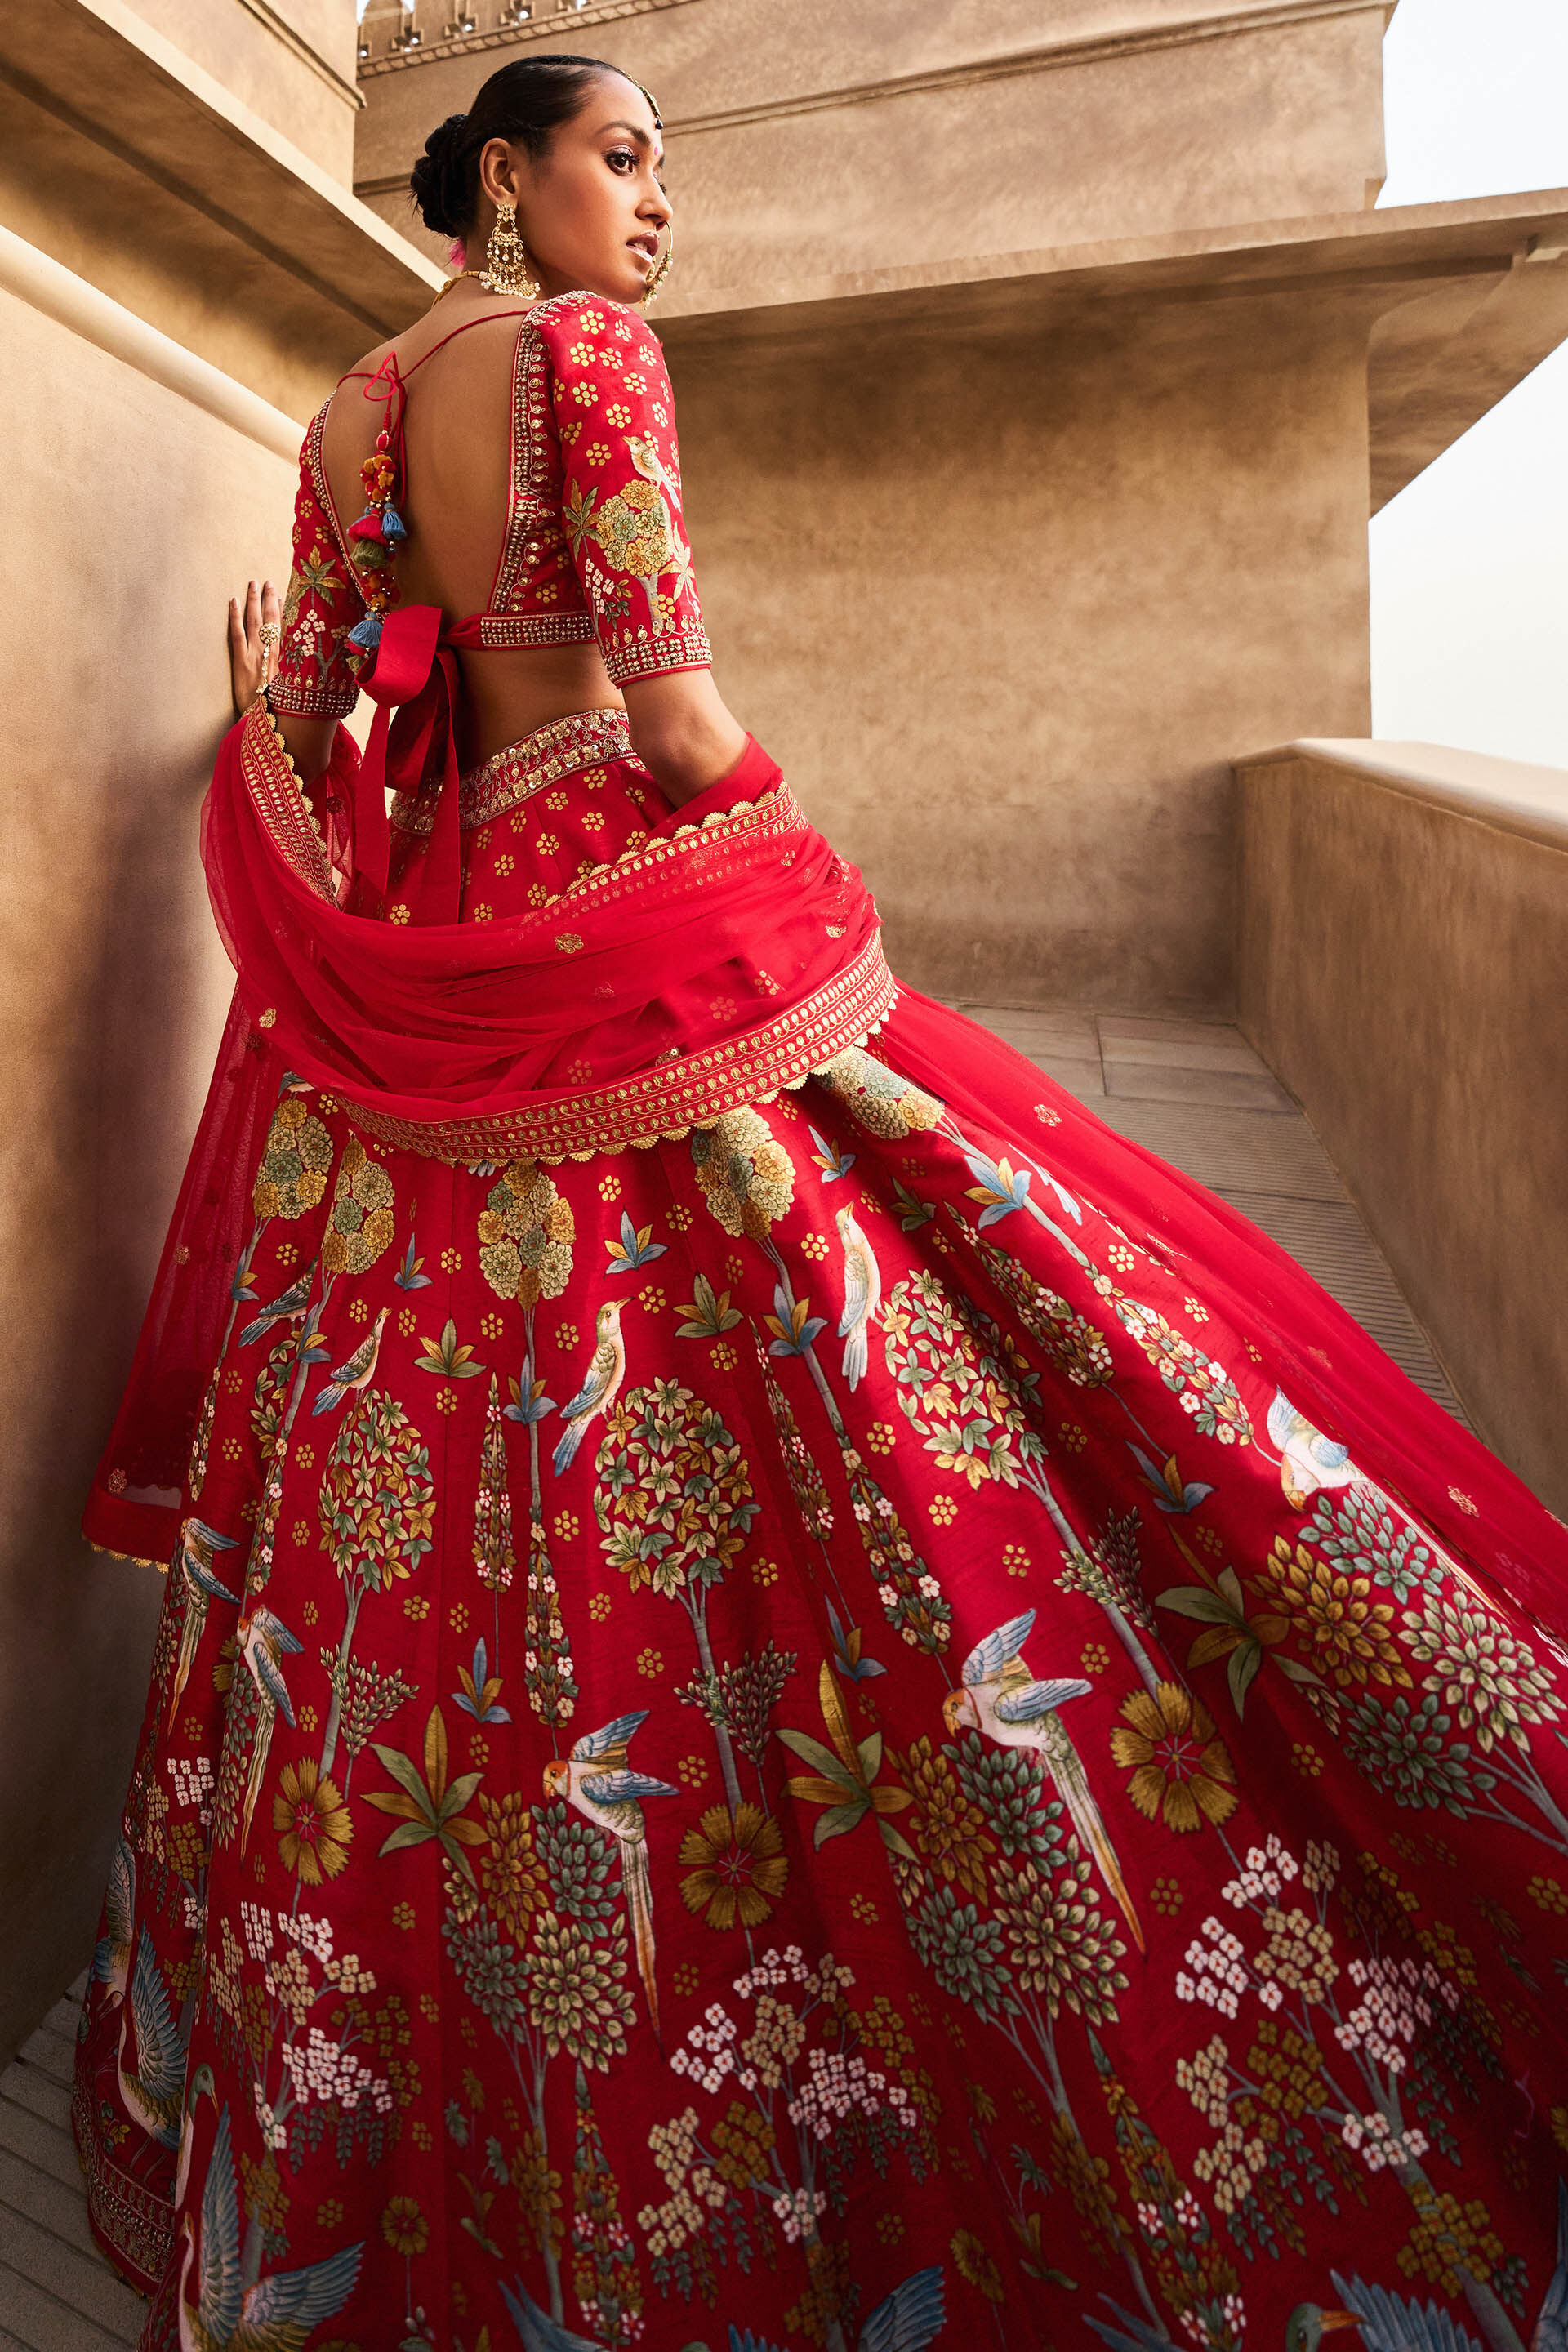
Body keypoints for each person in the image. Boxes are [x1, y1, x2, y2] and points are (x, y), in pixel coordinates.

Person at [72, 51, 1568, 2352]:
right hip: (633, 939)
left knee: (441, 1459)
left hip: (453, 968)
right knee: (865, 1384)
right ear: (507, 174)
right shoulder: (586, 352)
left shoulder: (359, 406)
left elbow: (339, 726)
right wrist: (781, 834)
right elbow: (669, 717)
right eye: (625, 157)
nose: (660, 207)